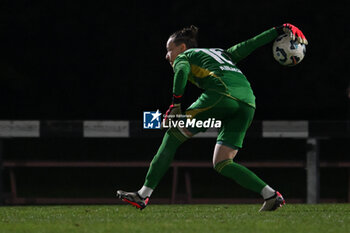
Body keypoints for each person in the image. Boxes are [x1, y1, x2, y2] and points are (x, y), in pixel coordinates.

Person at [117, 23, 308, 211]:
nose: (167, 55)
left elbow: (181, 71)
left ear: (182, 47)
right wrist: (280, 29)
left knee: (172, 134)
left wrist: (175, 104)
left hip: (222, 96)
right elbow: (251, 43)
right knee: (222, 162)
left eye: (169, 50)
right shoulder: (222, 53)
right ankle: (271, 195)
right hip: (248, 103)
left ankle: (143, 194)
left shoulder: (185, 55)